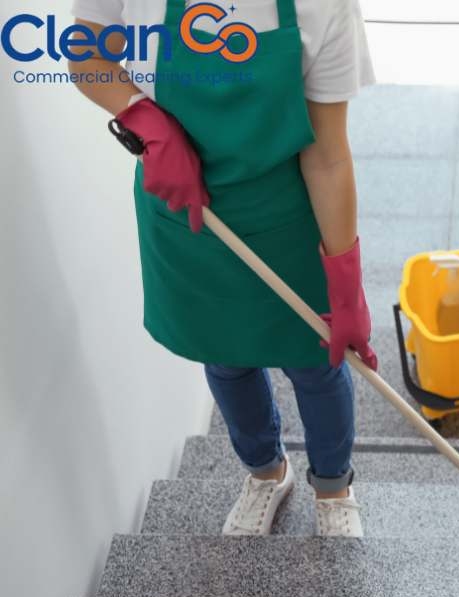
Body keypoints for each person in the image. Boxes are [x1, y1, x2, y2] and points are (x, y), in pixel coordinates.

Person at [68, 0, 377, 537]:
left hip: (286, 216)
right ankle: (266, 472)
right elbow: (85, 52)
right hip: (187, 214)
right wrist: (140, 115)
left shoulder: (326, 7)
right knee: (226, 355)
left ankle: (333, 486)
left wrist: (346, 287)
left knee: (314, 361)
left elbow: (328, 155)